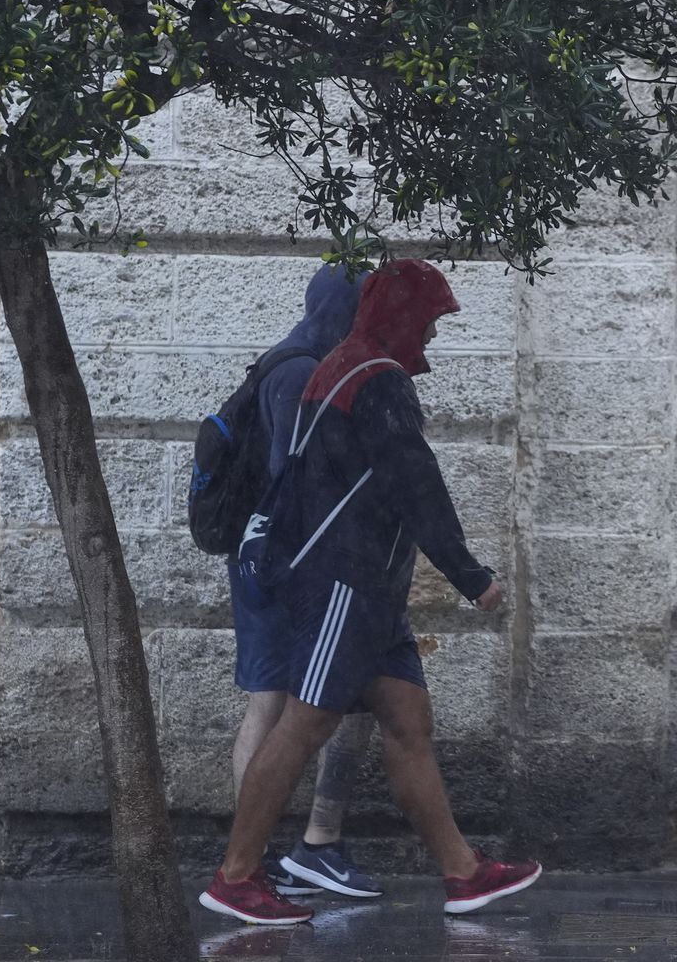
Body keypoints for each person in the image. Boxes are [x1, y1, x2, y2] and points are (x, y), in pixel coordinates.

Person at [200, 259, 540, 925]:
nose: (435, 336)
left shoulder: (346, 368)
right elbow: (417, 487)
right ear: (401, 318)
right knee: (306, 723)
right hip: (345, 586)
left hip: (367, 590)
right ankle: (236, 878)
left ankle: (463, 872)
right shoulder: (375, 380)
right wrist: (473, 578)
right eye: (431, 321)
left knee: (408, 724)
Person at [227, 264, 382, 899]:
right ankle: (256, 860)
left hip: (282, 556)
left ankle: (292, 852)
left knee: (330, 698)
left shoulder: (300, 361)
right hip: (283, 561)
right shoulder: (298, 372)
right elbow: (296, 477)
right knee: (274, 700)